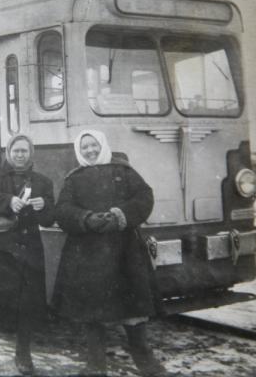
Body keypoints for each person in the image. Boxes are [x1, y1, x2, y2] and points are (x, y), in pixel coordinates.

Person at [53, 130, 167, 377]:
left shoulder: (124, 171)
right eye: (85, 148)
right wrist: (86, 219)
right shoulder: (74, 178)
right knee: (92, 312)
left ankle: (147, 364)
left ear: (102, 144)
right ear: (79, 151)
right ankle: (95, 366)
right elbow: (62, 211)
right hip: (87, 254)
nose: (90, 151)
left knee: (134, 309)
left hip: (125, 251)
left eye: (94, 145)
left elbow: (145, 198)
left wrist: (120, 216)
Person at [0, 134, 55, 376]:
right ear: (8, 152)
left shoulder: (43, 182)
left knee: (27, 304)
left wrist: (43, 207)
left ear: (31, 154)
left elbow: (50, 218)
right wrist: (8, 201)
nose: (20, 155)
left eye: (25, 151)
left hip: (27, 251)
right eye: (16, 150)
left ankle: (23, 355)